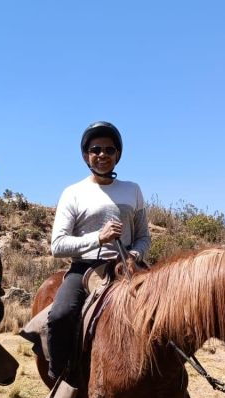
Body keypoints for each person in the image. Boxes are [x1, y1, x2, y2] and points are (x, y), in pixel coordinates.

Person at [46, 121, 150, 380]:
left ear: (118, 155)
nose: (102, 154)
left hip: (127, 266)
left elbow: (143, 237)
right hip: (84, 269)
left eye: (109, 150)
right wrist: (98, 238)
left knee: (167, 310)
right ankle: (61, 380)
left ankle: (172, 381)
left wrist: (135, 255)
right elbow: (57, 244)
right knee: (60, 316)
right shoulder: (73, 192)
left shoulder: (132, 189)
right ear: (85, 155)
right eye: (95, 149)